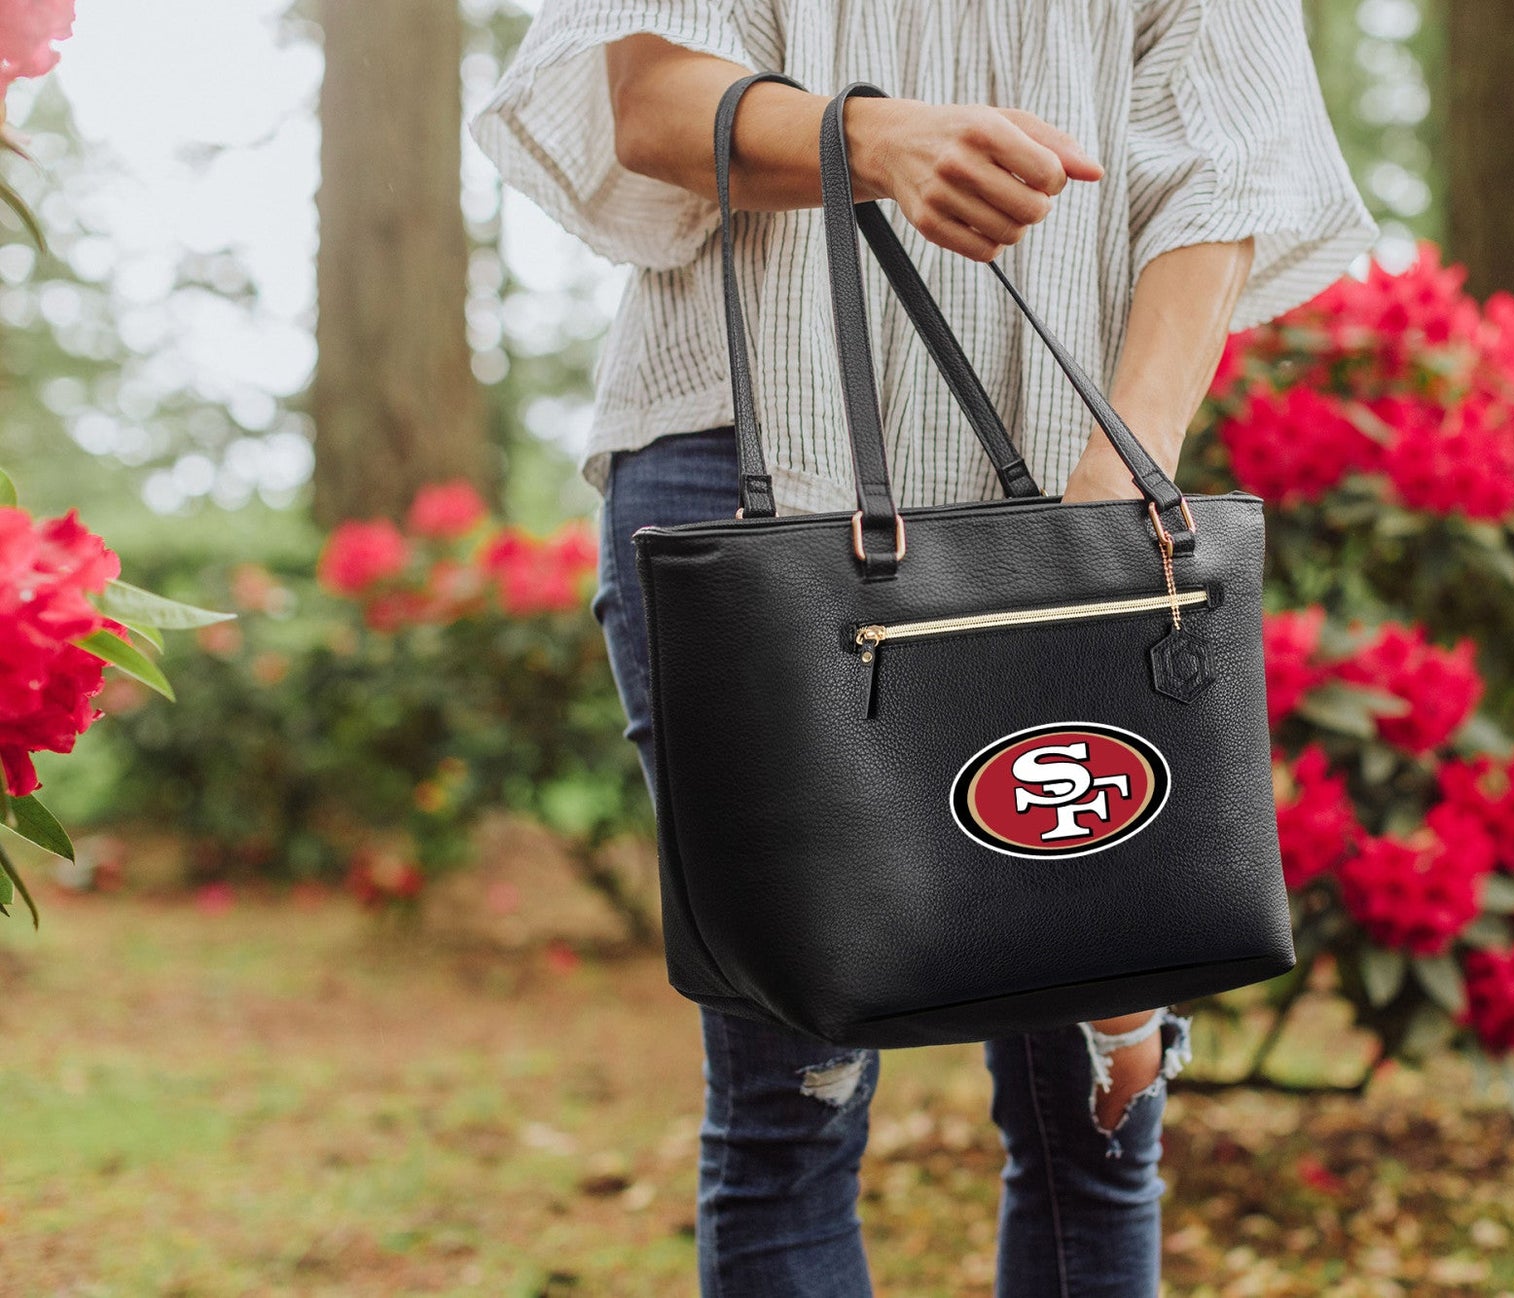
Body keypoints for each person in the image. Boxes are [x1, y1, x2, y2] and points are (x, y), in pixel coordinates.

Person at [475, 2, 1374, 1292]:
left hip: (1066, 476)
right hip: (754, 483)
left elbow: (1229, 168)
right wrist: (874, 141)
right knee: (791, 1107)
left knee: (1104, 1113)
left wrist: (1121, 482)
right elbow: (652, 104)